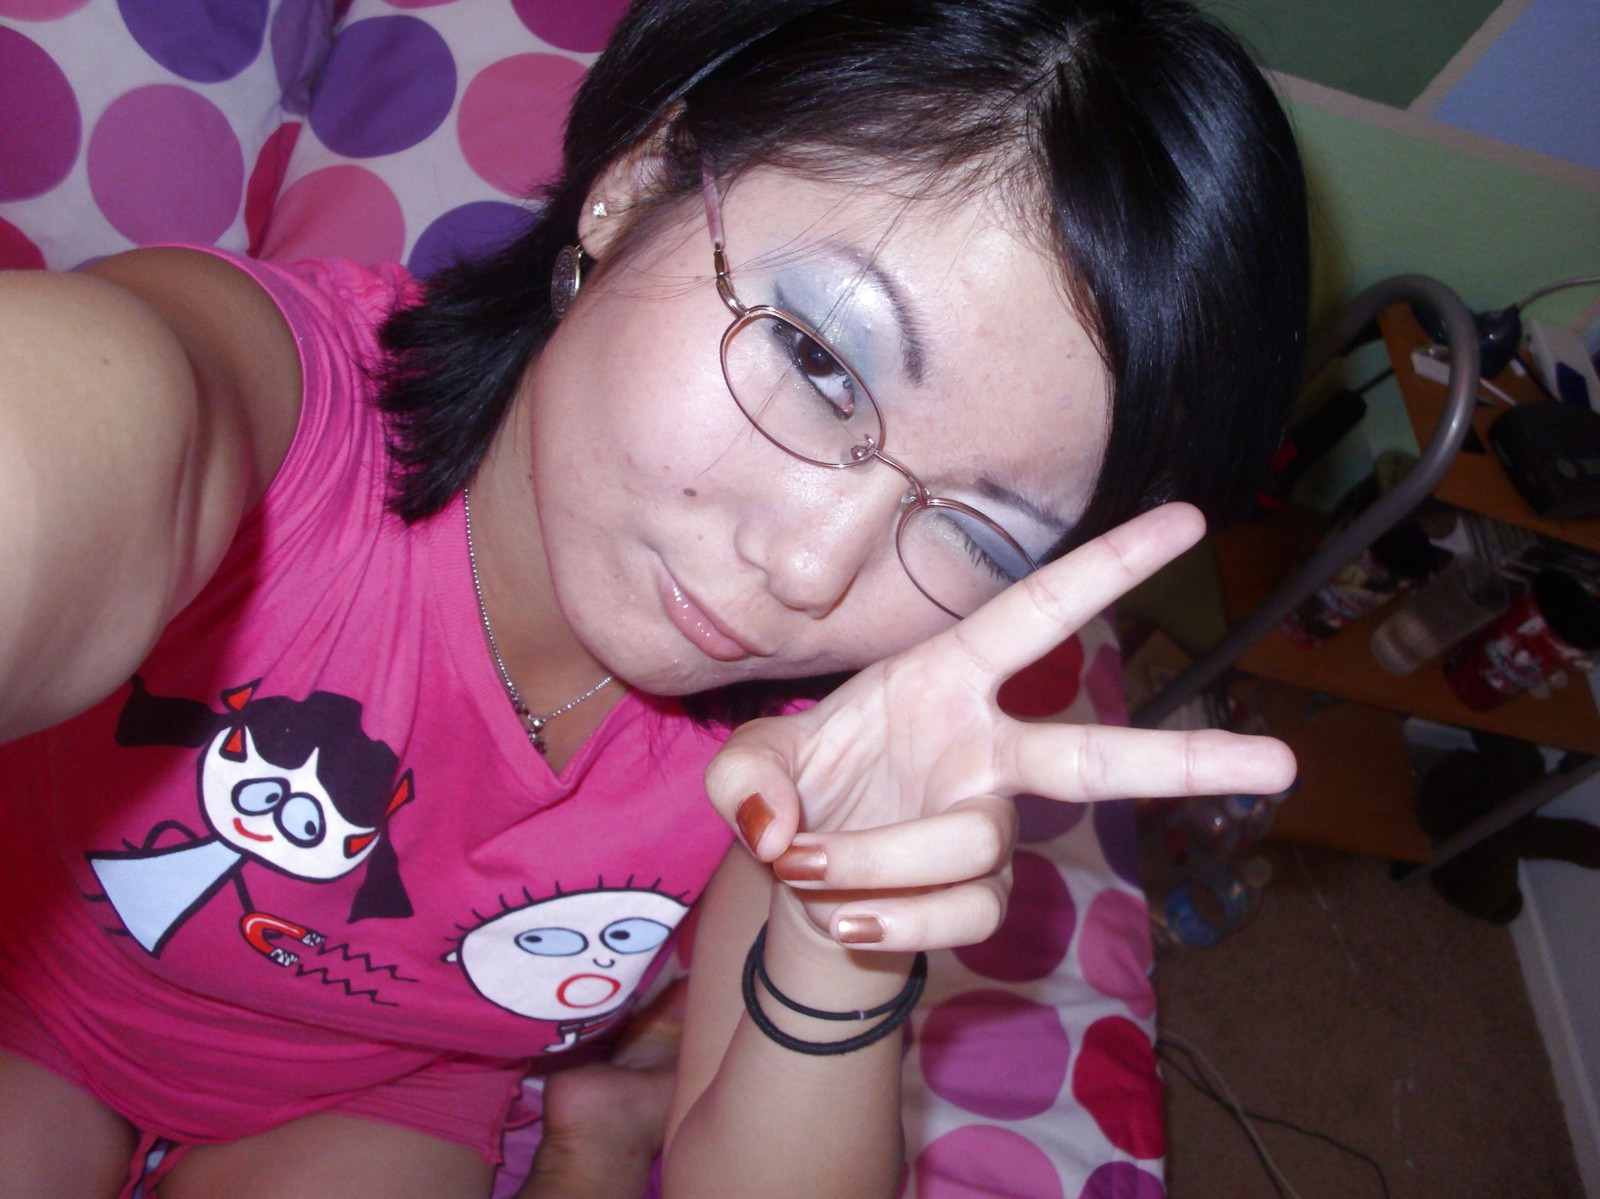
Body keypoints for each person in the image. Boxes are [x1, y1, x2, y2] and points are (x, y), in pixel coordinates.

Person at [0, 0, 1308, 1195]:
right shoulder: (275, 416)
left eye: (978, 531)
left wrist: (838, 939)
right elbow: (77, 431)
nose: (812, 572)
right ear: (636, 183)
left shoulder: (824, 724)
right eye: (817, 360)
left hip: (383, 1083)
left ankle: (594, 1133)